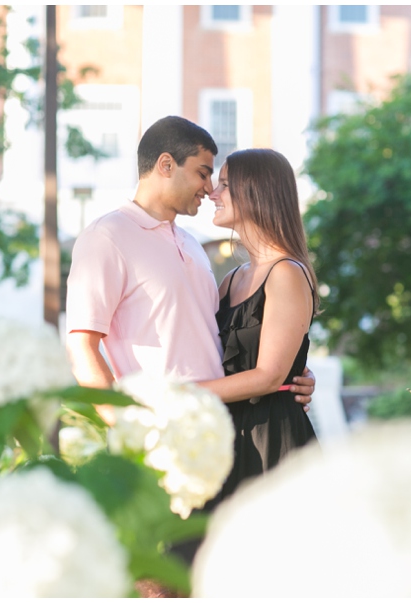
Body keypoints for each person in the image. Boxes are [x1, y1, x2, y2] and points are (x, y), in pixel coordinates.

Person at [65, 116, 316, 415]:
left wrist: (292, 372)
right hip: (160, 429)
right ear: (166, 165)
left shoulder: (193, 245)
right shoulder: (106, 237)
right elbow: (82, 348)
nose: (209, 189)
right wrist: (124, 424)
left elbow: (225, 341)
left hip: (221, 430)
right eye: (203, 173)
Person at [194, 148, 321, 510]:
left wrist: (184, 394)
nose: (212, 194)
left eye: (224, 185)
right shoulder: (232, 279)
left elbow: (268, 376)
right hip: (226, 436)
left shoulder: (286, 273)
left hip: (270, 440)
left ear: (256, 192)